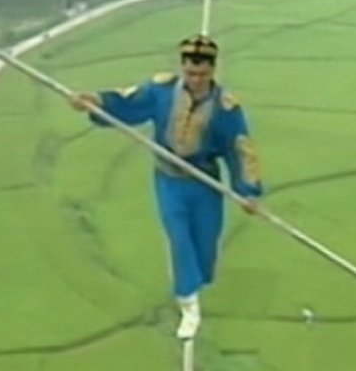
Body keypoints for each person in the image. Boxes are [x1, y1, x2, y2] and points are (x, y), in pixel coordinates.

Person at [70, 34, 264, 339]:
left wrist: (247, 192)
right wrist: (95, 102)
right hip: (168, 180)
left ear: (213, 70)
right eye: (190, 72)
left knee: (205, 246)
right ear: (182, 67)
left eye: (201, 74)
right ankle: (188, 304)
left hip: (204, 182)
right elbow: (128, 101)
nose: (195, 80)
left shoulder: (226, 108)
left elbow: (239, 147)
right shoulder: (162, 90)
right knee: (179, 238)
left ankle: (197, 284)